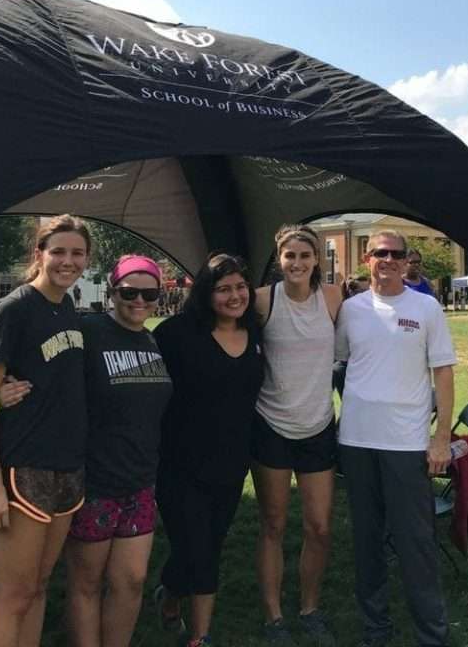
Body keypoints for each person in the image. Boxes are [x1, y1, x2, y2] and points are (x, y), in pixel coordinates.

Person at [0, 255, 173, 647]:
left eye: (149, 293)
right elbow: (40, 362)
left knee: (132, 580)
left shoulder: (150, 339)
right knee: (87, 584)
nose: (139, 301)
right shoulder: (88, 330)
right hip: (92, 482)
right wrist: (3, 386)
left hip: (140, 482)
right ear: (112, 291)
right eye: (129, 292)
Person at [0, 214, 91, 647]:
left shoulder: (68, 308)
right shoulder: (15, 308)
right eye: (58, 251)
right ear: (39, 254)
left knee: (38, 587)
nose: (67, 260)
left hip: (67, 466)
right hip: (25, 468)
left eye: (77, 253)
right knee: (13, 595)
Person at [335, 230, 457, 647]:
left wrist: (441, 438)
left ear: (407, 262)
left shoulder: (426, 307)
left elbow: (443, 371)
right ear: (366, 259)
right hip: (356, 440)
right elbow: (340, 362)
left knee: (415, 542)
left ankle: (432, 634)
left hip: (406, 442)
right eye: (379, 253)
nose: (387, 260)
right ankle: (376, 628)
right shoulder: (350, 310)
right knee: (366, 539)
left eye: (396, 254)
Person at [153, 253, 264, 647]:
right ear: (206, 293)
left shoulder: (256, 333)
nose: (234, 296)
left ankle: (169, 593)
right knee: (198, 547)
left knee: (208, 542)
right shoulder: (174, 334)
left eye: (239, 287)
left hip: (232, 463)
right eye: (223, 289)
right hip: (179, 463)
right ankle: (201, 637)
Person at [252, 224, 342, 646]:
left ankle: (310, 607)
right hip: (271, 425)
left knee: (320, 526)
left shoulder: (333, 297)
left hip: (318, 426)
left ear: (316, 260)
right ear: (279, 258)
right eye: (290, 256)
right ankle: (273, 616)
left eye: (305, 256)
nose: (297, 264)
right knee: (272, 523)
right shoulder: (262, 300)